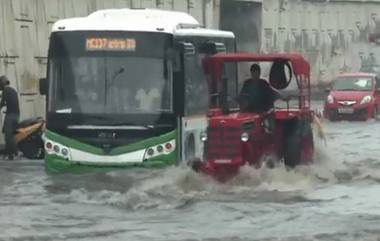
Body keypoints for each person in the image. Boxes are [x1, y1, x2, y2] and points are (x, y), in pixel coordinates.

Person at [0, 76, 20, 160]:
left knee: (8, 135)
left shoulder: (6, 90)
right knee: (11, 135)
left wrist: (1, 106)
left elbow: (2, 102)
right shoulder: (13, 90)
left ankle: (10, 154)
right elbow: (11, 102)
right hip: (16, 115)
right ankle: (14, 152)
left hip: (11, 115)